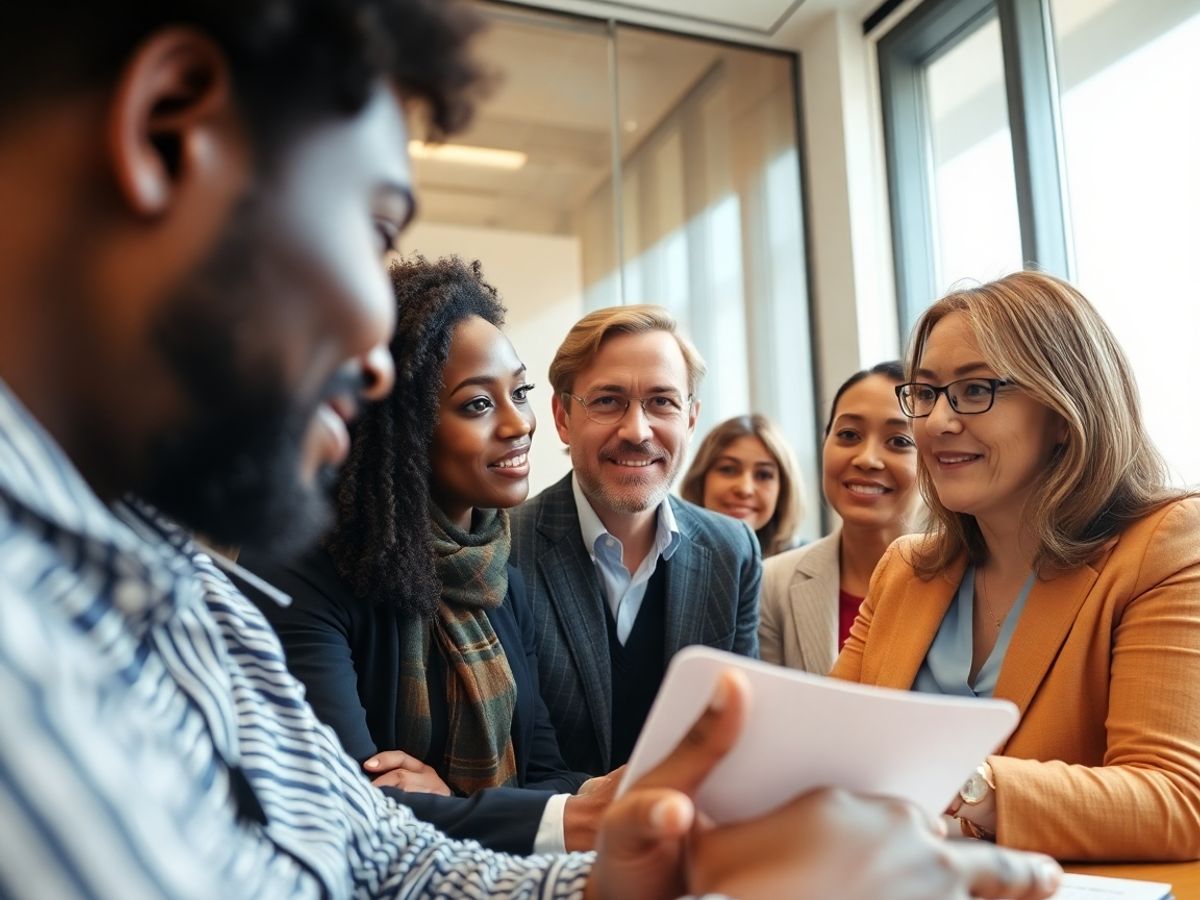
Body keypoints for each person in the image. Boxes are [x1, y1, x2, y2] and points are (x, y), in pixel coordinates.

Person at [0, 2, 1067, 895]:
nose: (377, 365)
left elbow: (384, 858)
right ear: (167, 132)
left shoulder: (188, 589)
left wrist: (635, 875)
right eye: (371, 230)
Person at [241, 254, 617, 855]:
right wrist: (534, 815)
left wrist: (453, 807)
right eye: (477, 404)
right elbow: (346, 805)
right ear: (401, 427)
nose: (518, 423)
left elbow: (553, 775)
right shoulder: (302, 569)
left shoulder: (496, 572)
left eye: (519, 391)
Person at [832, 271, 1200, 861]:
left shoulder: (1163, 547)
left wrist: (963, 786)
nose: (938, 421)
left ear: (1063, 411)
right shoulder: (904, 569)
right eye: (925, 393)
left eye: (975, 390)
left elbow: (1175, 799)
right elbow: (829, 747)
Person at [510, 305, 762, 776]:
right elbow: (513, 758)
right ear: (563, 417)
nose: (637, 431)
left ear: (690, 418)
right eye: (608, 401)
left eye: (662, 402)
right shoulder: (505, 550)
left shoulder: (734, 551)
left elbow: (739, 737)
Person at [760, 362, 920, 673]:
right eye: (848, 434)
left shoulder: (974, 582)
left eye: (899, 441)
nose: (867, 459)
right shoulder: (773, 583)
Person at [680, 413, 804, 558]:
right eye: (728, 469)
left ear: (783, 490)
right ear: (700, 481)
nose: (745, 489)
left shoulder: (805, 565)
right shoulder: (668, 557)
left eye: (763, 475)